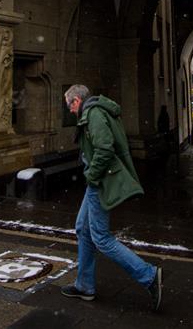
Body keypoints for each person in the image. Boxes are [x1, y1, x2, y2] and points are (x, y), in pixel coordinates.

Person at [61, 84, 163, 311]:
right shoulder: (95, 111)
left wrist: (92, 175)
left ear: (77, 101)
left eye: (69, 105)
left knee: (101, 238)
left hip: (99, 182)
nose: (69, 110)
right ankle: (84, 286)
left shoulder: (94, 114)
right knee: (83, 229)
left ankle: (148, 275)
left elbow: (104, 149)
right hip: (96, 181)